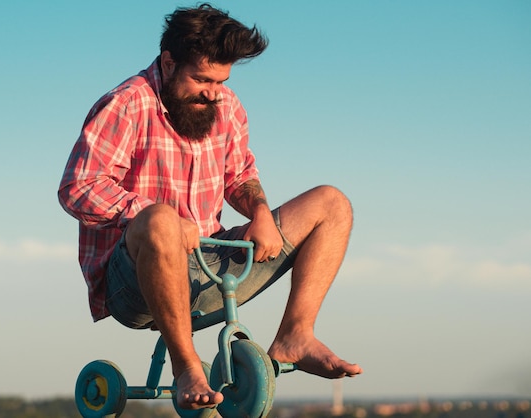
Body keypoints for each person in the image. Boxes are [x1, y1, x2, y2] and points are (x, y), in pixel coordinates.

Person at [58, 3, 362, 411]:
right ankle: (186, 367)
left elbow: (239, 176)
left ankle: (295, 335)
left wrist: (259, 211)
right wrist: (157, 217)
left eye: (220, 80)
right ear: (168, 63)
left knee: (332, 204)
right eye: (201, 78)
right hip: (133, 284)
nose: (212, 91)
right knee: (161, 220)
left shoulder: (227, 104)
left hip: (209, 265)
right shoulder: (127, 103)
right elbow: (78, 187)